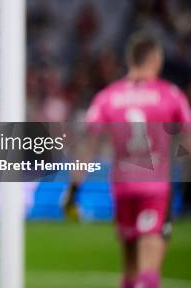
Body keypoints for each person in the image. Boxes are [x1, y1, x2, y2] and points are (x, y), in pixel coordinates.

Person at [64, 32, 191, 288]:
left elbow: (89, 145)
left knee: (130, 271)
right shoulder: (171, 94)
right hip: (155, 188)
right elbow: (188, 140)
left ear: (129, 59)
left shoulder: (107, 97)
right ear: (155, 59)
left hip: (122, 188)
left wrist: (74, 187)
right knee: (149, 270)